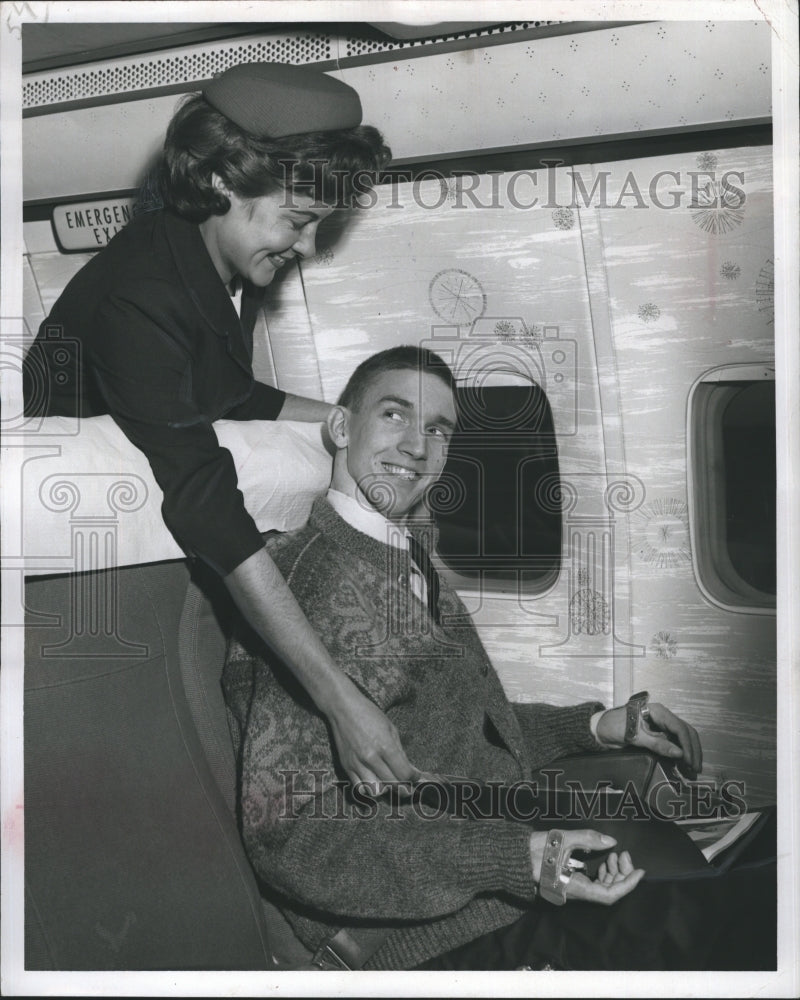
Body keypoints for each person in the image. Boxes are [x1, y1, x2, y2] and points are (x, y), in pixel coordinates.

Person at [223, 346, 775, 972]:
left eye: (437, 430)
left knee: (768, 857)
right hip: (433, 939)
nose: (417, 448)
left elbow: (463, 727)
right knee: (747, 921)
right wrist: (517, 858)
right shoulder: (307, 593)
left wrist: (595, 726)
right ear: (343, 427)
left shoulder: (401, 556)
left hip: (507, 866)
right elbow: (290, 833)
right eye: (395, 416)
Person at [22, 62, 418, 790]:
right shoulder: (141, 294)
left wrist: (347, 422)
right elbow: (206, 501)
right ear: (221, 183)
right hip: (73, 580)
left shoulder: (213, 263)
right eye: (299, 221)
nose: (304, 247)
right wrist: (338, 700)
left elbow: (225, 392)